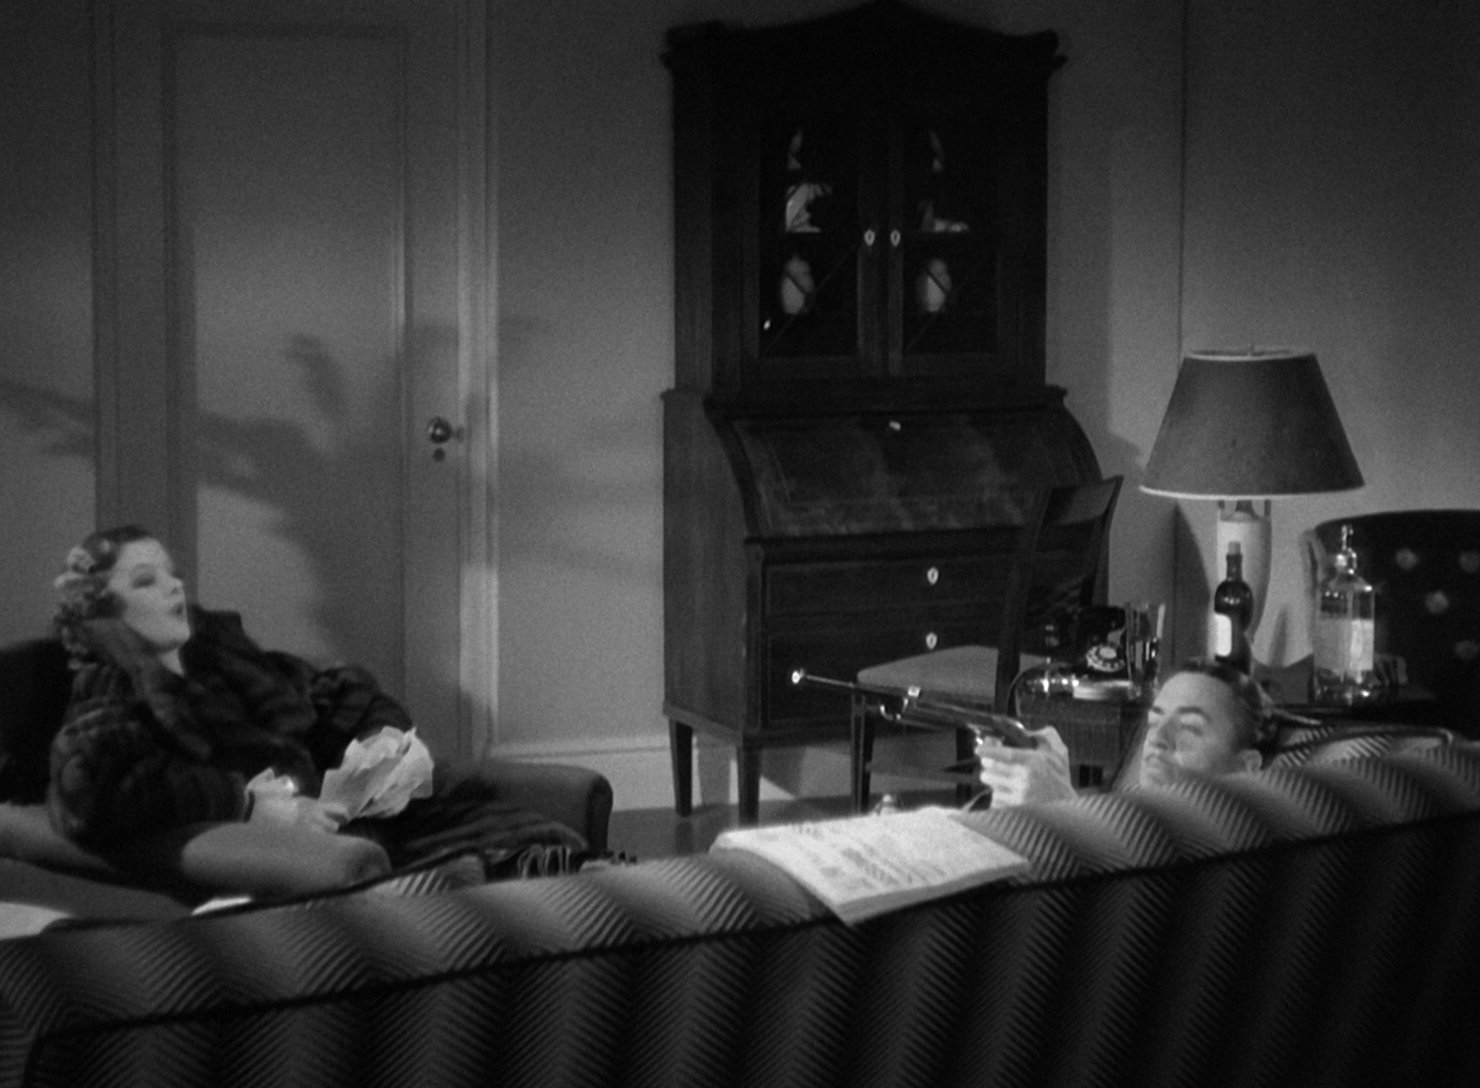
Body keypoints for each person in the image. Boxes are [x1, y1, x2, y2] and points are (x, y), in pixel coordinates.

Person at [48, 524, 591, 880]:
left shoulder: (225, 662)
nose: (173, 588)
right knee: (505, 875)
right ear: (104, 610)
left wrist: (379, 742)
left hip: (361, 824)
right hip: (310, 860)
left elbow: (335, 695)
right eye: (146, 582)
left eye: (174, 575)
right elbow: (91, 789)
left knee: (549, 843)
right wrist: (247, 804)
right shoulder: (112, 690)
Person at [976, 659, 1273, 807]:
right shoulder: (1120, 813)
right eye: (1154, 722)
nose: (1157, 739)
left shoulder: (1229, 856)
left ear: (1246, 766)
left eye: (1189, 727)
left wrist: (1062, 810)